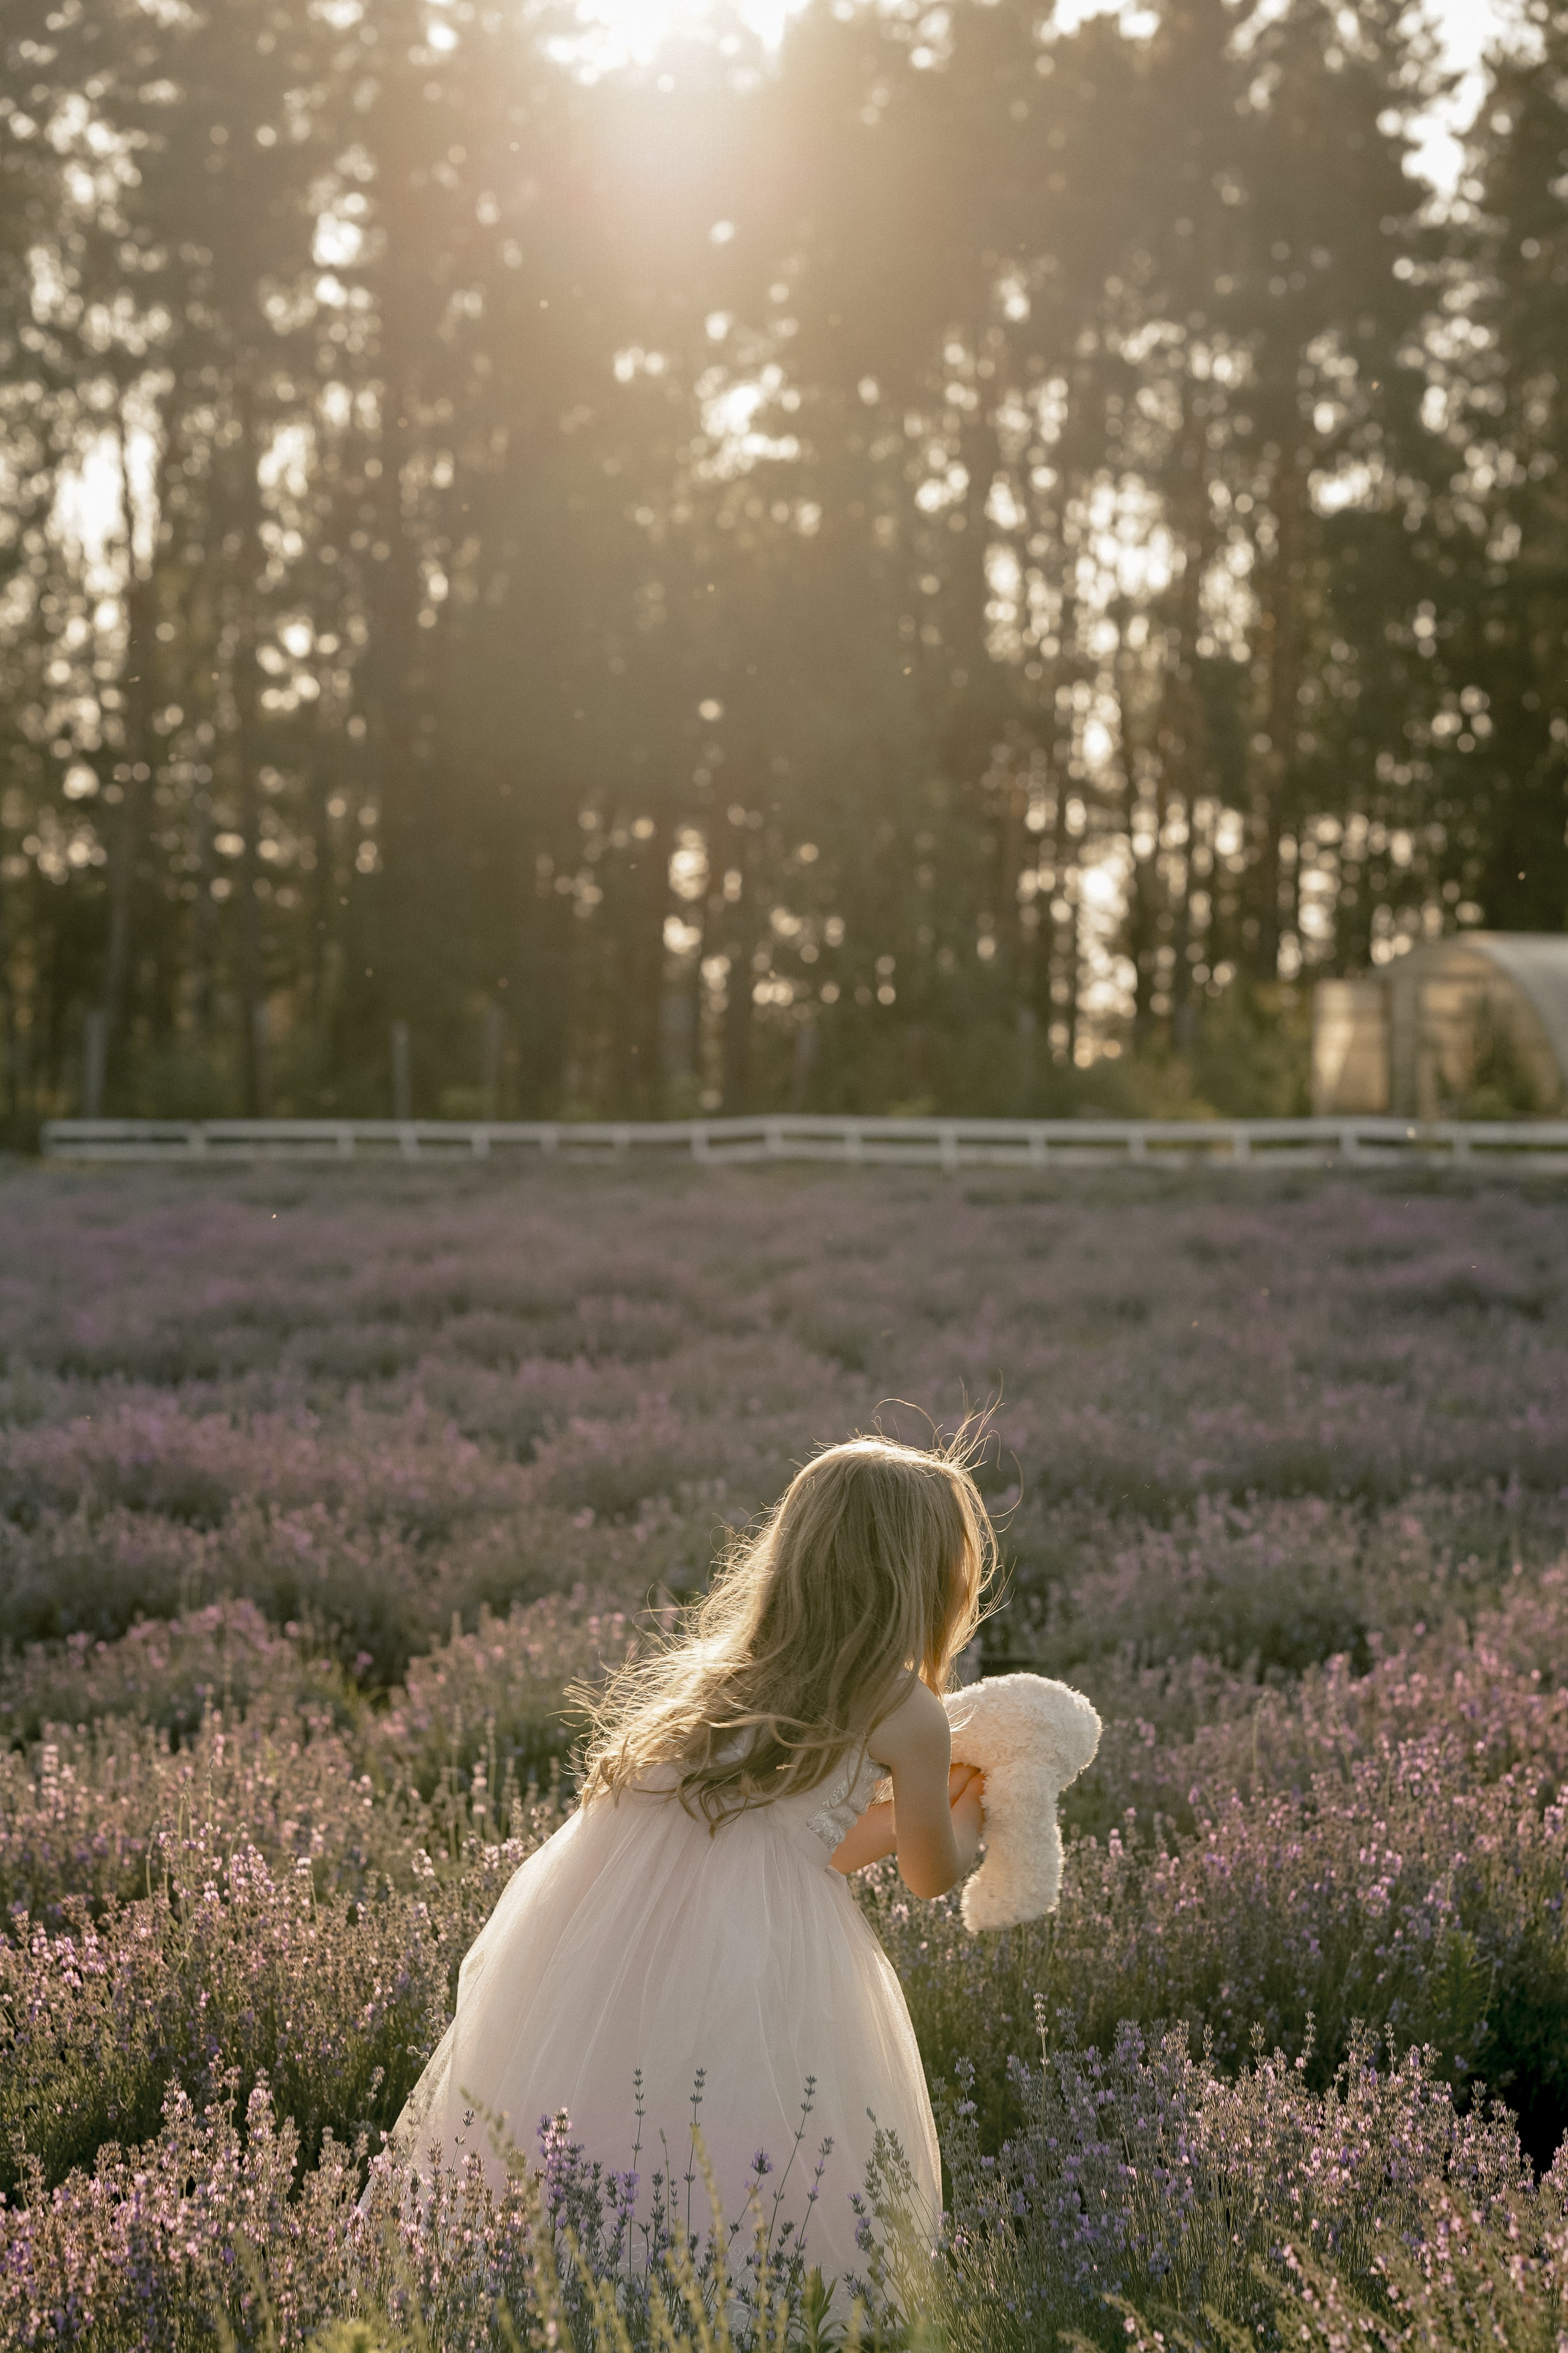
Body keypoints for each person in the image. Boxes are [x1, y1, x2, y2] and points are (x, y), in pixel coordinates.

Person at [379, 1433, 993, 2291]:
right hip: (768, 1956)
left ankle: (580, 2286)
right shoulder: (907, 1710)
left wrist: (887, 1823)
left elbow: (789, 1833)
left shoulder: (726, 1676)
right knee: (758, 2127)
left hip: (628, 1938)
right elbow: (932, 1875)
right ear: (925, 1579)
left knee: (617, 2112)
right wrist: (973, 1816)